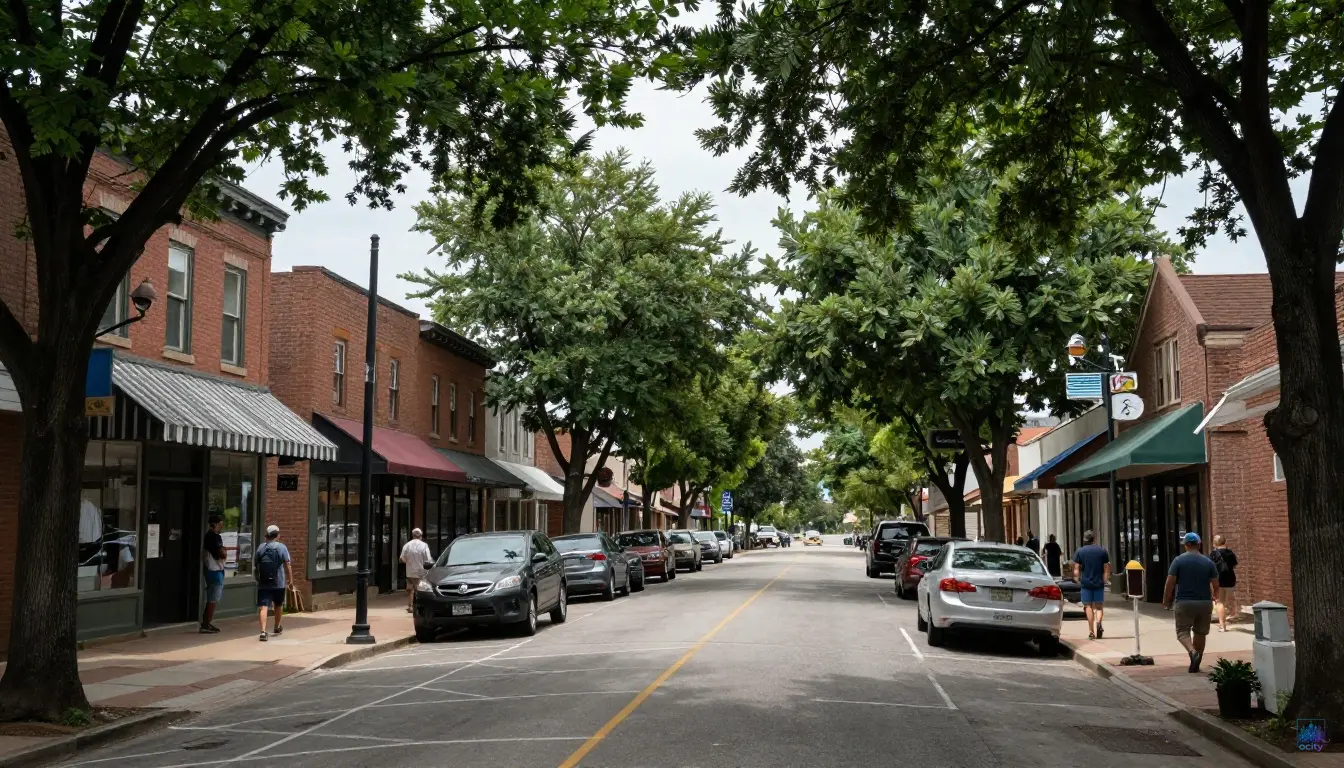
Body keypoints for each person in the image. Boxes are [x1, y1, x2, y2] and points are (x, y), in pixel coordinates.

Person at [1164, 532, 1220, 672]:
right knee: (1200, 632)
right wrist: (1216, 596)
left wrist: (1166, 599)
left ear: (1186, 545)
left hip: (1184, 601)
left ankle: (1192, 652)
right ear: (1199, 545)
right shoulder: (1208, 562)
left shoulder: (1178, 561)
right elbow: (1216, 584)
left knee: (1182, 632)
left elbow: (1170, 582)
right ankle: (1196, 663)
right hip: (1204, 602)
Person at [254, 525, 293, 642]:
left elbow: (256, 564)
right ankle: (276, 626)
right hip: (279, 582)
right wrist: (290, 580)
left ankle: (263, 632)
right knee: (278, 605)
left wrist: (258, 578)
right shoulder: (282, 548)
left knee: (263, 607)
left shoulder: (261, 548)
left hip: (264, 582)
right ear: (277, 535)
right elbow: (287, 564)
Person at [1073, 530, 1111, 640]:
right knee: (1099, 607)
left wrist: (1077, 579)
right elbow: (1106, 568)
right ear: (1094, 539)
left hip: (1086, 583)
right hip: (1099, 582)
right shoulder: (1102, 551)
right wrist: (1105, 579)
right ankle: (1099, 623)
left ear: (1085, 539)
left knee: (1088, 606)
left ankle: (1091, 631)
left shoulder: (1080, 551)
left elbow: (1076, 569)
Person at [201, 515, 226, 633]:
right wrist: (224, 551)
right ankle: (206, 624)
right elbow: (222, 554)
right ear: (215, 524)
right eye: (220, 524)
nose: (221, 527)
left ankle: (206, 623)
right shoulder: (215, 537)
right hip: (215, 570)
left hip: (210, 569)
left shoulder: (207, 536)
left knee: (212, 598)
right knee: (213, 599)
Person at [1210, 534, 1240, 631]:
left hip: (1219, 579)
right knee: (1226, 601)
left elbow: (1211, 568)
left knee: (1220, 602)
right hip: (1230, 579)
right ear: (1225, 542)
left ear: (1215, 543)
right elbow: (1234, 566)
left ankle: (1222, 625)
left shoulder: (1214, 554)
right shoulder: (1230, 553)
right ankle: (1232, 614)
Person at [400, 528, 433, 613]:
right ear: (421, 536)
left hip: (410, 571)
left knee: (411, 590)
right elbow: (428, 559)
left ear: (413, 535)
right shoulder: (424, 545)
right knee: (420, 589)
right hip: (421, 572)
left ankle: (410, 606)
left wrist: (408, 563)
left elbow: (402, 558)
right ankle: (419, 606)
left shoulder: (407, 545)